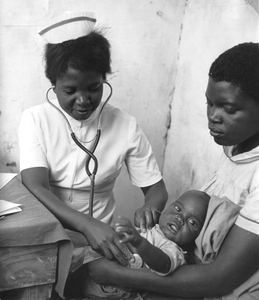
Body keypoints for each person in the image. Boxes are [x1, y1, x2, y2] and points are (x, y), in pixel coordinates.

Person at [86, 42, 259, 299]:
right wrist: (159, 223)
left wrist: (117, 274)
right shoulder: (236, 149)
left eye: (229, 109)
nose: (213, 116)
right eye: (209, 103)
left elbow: (219, 279)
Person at [18, 11, 168, 296]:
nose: (84, 100)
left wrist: (151, 209)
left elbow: (156, 190)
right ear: (53, 85)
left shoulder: (125, 124)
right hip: (51, 234)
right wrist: (88, 225)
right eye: (70, 90)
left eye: (94, 88)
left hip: (104, 240)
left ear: (104, 79)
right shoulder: (35, 119)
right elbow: (35, 186)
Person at [82, 190, 210, 299]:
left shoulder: (175, 250)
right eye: (177, 209)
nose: (180, 218)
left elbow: (163, 264)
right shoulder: (154, 228)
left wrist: (139, 242)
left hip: (119, 290)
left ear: (195, 239)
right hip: (103, 276)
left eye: (192, 222)